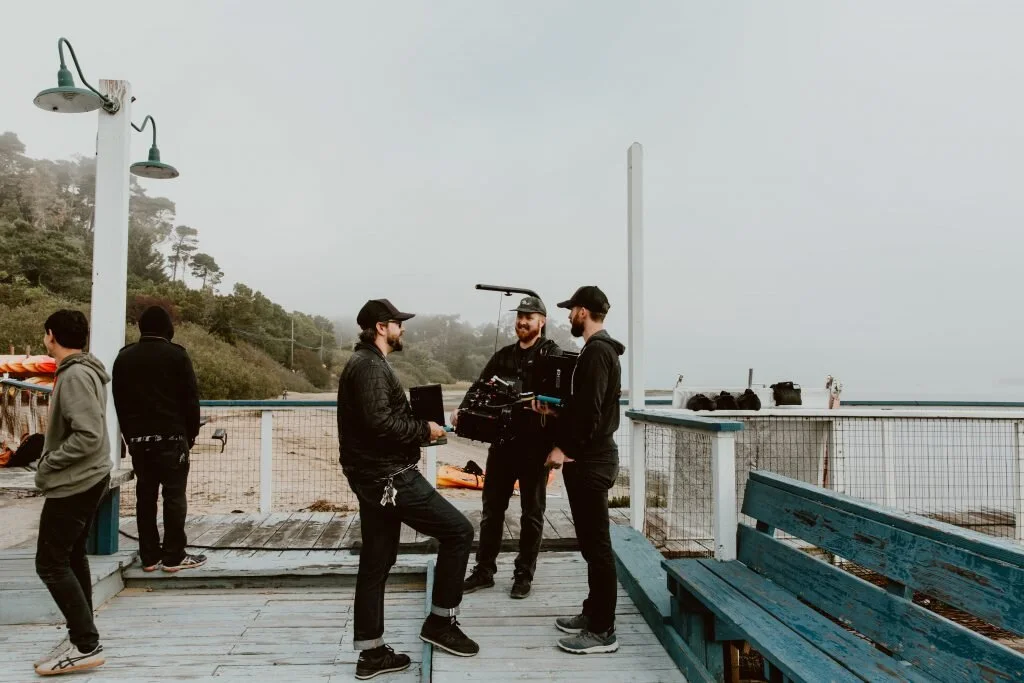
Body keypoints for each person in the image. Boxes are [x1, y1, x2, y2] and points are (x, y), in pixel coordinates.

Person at [338, 298, 479, 680]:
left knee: (377, 561)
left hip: (375, 478)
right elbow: (378, 424)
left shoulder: (367, 363)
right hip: (392, 478)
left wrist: (419, 420)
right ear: (382, 327)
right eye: (398, 323)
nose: (403, 329)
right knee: (459, 532)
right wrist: (425, 430)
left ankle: (371, 655)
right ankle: (439, 623)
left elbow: (379, 418)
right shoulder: (368, 367)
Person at [541, 286, 625, 655]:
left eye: (571, 310)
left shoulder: (596, 353)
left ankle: (603, 631)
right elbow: (590, 408)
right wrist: (557, 413)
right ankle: (592, 613)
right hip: (591, 458)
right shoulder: (596, 352)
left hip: (591, 461)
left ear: (582, 311)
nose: (567, 316)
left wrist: (564, 449)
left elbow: (592, 413)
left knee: (598, 547)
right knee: (592, 547)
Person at [460, 296, 560, 599]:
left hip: (536, 449)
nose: (522, 321)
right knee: (492, 511)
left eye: (529, 316)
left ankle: (523, 575)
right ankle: (484, 571)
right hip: (502, 446)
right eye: (520, 316)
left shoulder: (552, 356)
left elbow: (566, 403)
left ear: (542, 320)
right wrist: (461, 410)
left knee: (532, 513)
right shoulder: (503, 355)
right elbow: (478, 387)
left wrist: (559, 446)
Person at [33, 310, 112, 676]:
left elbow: (88, 435)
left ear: (52, 335)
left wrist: (48, 464)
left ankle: (84, 644)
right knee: (71, 553)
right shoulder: (85, 370)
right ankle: (82, 636)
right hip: (89, 477)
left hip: (75, 482)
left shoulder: (76, 375)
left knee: (49, 562)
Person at [112, 305, 206, 573]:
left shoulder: (124, 357)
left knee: (146, 496)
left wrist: (129, 437)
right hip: (172, 438)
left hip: (139, 442)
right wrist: (190, 436)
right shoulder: (176, 356)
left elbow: (120, 401)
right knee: (174, 496)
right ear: (168, 328)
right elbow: (191, 401)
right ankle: (174, 557)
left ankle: (149, 556)